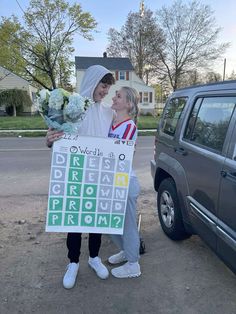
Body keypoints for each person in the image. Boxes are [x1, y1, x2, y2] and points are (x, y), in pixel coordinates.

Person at [46, 65, 115, 289]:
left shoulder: (107, 113)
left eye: (107, 88)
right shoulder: (71, 109)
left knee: (95, 219)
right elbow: (57, 140)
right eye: (103, 86)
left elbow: (116, 141)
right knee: (74, 221)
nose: (105, 91)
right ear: (93, 82)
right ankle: (73, 262)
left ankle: (94, 258)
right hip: (75, 174)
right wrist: (50, 140)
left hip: (98, 175)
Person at [107, 87, 141, 278]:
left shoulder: (129, 127)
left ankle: (133, 264)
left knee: (127, 225)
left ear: (128, 104)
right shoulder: (110, 123)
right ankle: (125, 252)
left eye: (118, 96)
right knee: (111, 224)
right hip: (110, 182)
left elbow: (119, 155)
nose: (113, 98)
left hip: (125, 182)